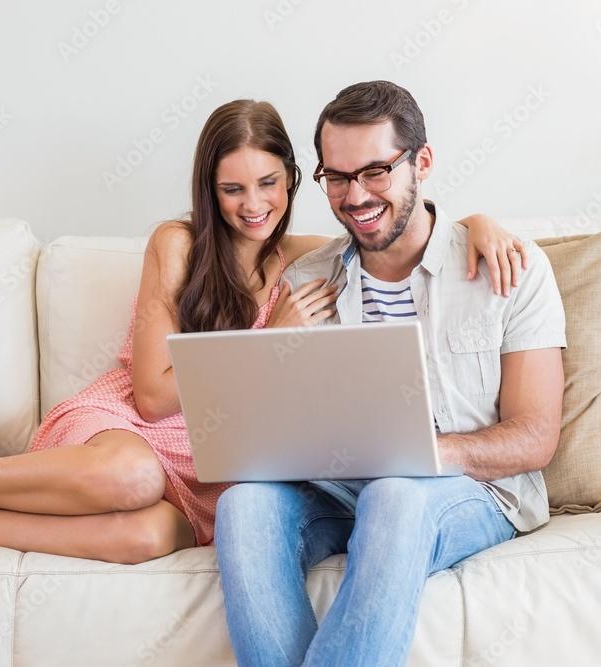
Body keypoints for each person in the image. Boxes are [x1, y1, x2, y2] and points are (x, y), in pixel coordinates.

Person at [0, 99, 528, 565]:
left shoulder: (307, 260)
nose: (252, 206)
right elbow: (151, 393)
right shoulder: (176, 244)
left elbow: (400, 232)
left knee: (143, 538)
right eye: (232, 188)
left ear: (295, 184)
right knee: (132, 478)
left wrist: (475, 225)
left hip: (216, 466)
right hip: (134, 431)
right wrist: (272, 345)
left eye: (268, 185)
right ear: (209, 188)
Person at [213, 81, 567, 666]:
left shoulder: (510, 268)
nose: (356, 196)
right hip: (340, 487)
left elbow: (536, 437)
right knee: (242, 505)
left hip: (474, 491)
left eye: (375, 171)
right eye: (337, 177)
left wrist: (420, 451)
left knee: (395, 494)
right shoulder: (307, 281)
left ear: (421, 162)